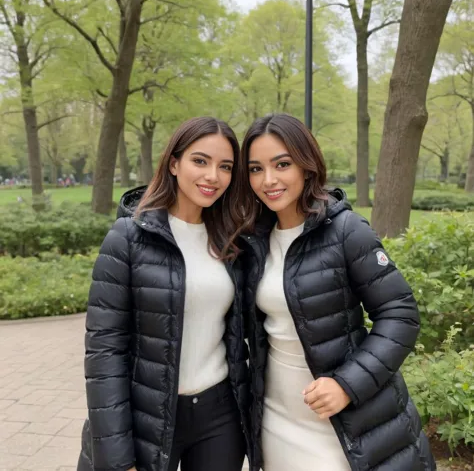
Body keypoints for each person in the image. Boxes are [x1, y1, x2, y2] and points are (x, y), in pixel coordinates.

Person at [237, 113, 436, 471]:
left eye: (282, 164)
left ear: (306, 164)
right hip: (275, 415)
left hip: (344, 417)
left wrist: (347, 384)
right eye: (255, 169)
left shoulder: (346, 230)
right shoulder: (252, 239)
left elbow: (400, 315)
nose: (268, 180)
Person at [78, 116, 251, 471]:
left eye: (225, 166)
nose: (212, 176)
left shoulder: (234, 241)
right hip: (147, 415)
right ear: (174, 163)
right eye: (200, 161)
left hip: (220, 415)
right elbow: (104, 351)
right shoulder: (128, 237)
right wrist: (116, 456)